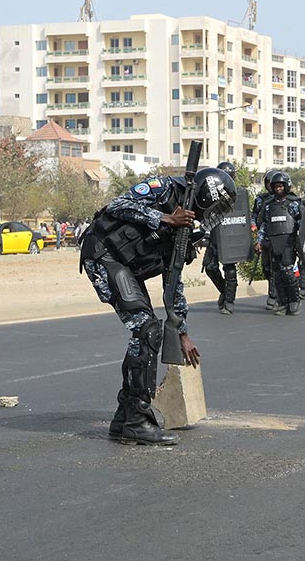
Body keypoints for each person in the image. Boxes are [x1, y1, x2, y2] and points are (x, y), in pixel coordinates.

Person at [80, 167, 235, 445]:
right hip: (104, 255)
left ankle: (124, 418)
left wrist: (182, 332)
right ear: (205, 196)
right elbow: (117, 205)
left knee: (150, 330)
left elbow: (173, 281)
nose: (214, 214)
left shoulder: (189, 226)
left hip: (126, 267)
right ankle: (137, 420)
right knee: (147, 330)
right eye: (216, 206)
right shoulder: (163, 189)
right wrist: (164, 217)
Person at [255, 171, 302, 316]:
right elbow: (264, 224)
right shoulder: (268, 205)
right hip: (273, 242)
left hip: (289, 242)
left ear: (286, 186)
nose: (278, 189)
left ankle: (294, 300)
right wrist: (260, 241)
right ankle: (282, 303)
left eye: (281, 186)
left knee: (287, 272)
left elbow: (301, 224)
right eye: (276, 186)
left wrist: (300, 245)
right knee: (277, 275)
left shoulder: (294, 203)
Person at [202, 161, 243, 315]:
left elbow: (243, 215)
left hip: (231, 237)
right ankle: (224, 292)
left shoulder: (237, 194)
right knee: (210, 267)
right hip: (214, 237)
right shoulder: (211, 194)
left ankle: (229, 301)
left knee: (230, 270)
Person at [251, 170, 280, 310]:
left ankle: (274, 296)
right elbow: (255, 216)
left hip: (281, 239)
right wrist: (253, 226)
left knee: (279, 268)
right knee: (266, 268)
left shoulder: (286, 199)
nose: (271, 186)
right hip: (265, 237)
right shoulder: (261, 199)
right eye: (269, 183)